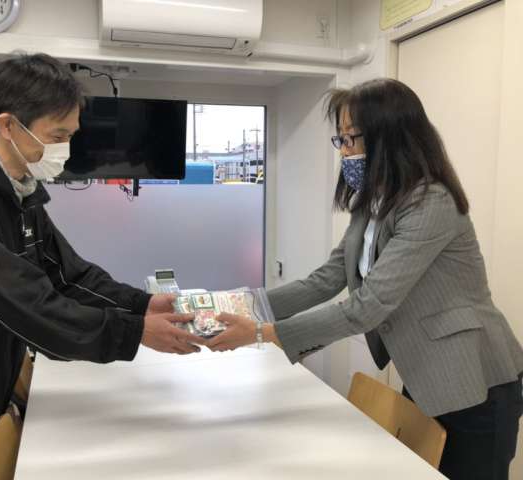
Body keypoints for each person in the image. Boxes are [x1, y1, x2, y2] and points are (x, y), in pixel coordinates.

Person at [0, 53, 204, 479]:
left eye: (70, 135)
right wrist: (134, 333)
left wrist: (142, 305)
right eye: (57, 135)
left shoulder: (18, 191)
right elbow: (25, 306)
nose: (65, 149)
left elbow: (68, 275)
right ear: (8, 125)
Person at [208, 78, 523, 480]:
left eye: (351, 138)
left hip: (477, 381)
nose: (345, 151)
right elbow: (326, 279)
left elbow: (367, 306)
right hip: (426, 376)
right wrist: (242, 304)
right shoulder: (373, 203)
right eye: (340, 140)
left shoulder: (431, 202)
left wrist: (262, 334)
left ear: (390, 137)